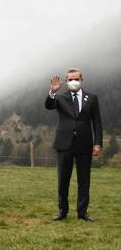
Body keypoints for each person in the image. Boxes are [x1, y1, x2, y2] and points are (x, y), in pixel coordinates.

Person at [46, 68, 103, 222]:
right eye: (70, 79)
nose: (73, 82)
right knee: (63, 180)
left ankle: (82, 212)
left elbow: (97, 121)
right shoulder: (60, 97)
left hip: (85, 144)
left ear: (81, 79)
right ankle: (62, 211)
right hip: (64, 144)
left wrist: (98, 143)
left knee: (84, 180)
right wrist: (52, 91)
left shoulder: (92, 98)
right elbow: (49, 105)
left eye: (76, 79)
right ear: (66, 80)